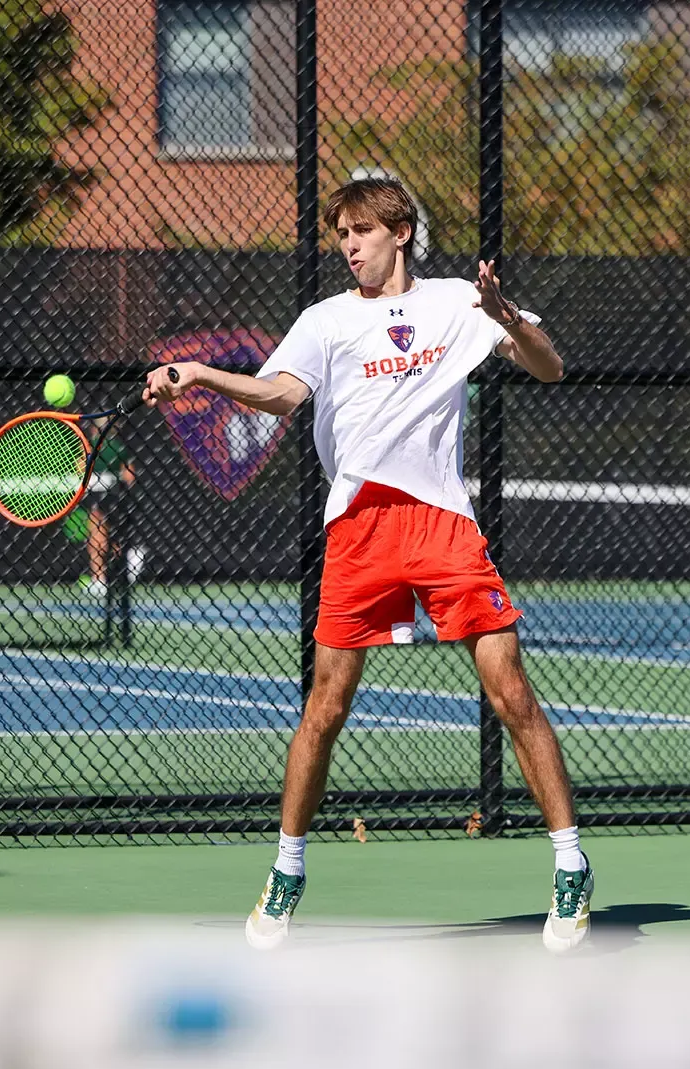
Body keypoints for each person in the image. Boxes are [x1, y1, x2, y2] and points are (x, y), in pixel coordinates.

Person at [142, 177, 591, 953]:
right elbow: (280, 395)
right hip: (358, 530)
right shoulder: (326, 320)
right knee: (326, 707)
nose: (349, 245)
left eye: (362, 231)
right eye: (342, 234)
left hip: (443, 525)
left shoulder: (460, 302)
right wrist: (203, 375)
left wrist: (507, 317)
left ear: (401, 232)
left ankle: (570, 863)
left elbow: (550, 368)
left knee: (511, 692)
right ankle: (286, 871)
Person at [80, 418, 136, 599]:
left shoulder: (89, 446)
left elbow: (80, 469)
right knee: (111, 539)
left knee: (97, 537)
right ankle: (116, 572)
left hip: (99, 497)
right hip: (116, 498)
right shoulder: (120, 447)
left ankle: (99, 579)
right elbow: (130, 476)